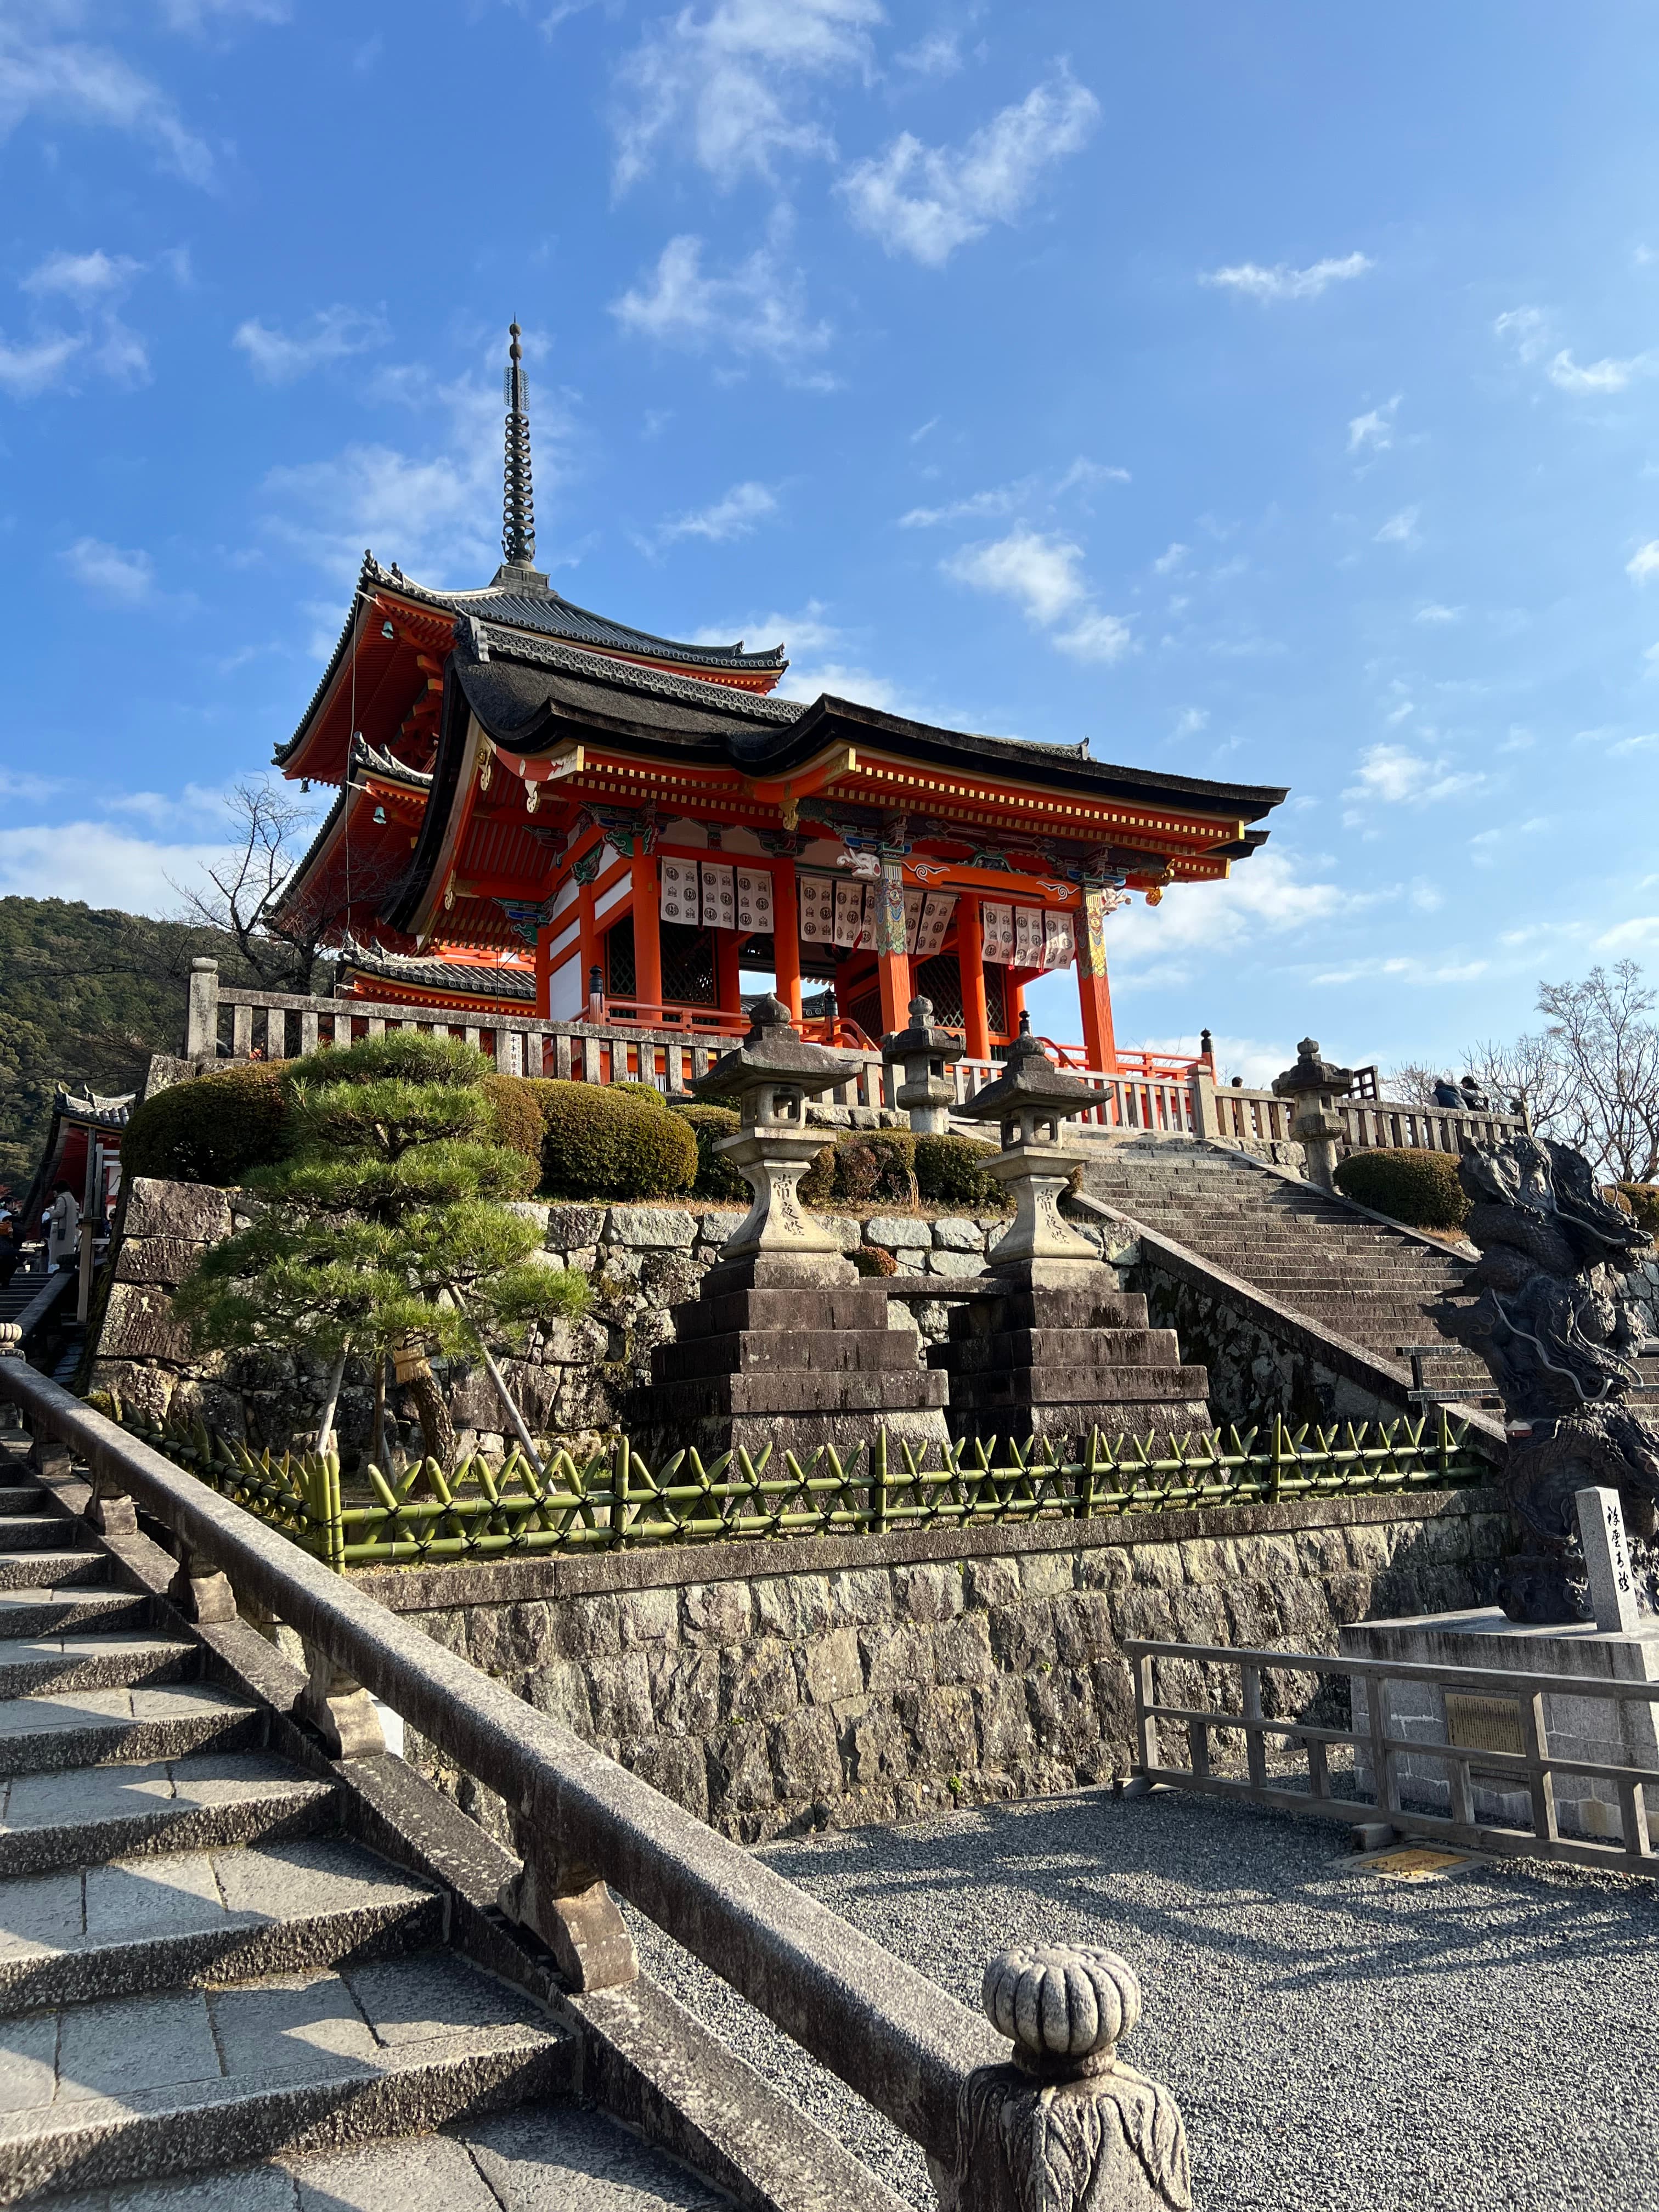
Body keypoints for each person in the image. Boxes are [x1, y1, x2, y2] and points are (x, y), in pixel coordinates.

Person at [44, 1183, 80, 1273]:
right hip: (69, 1229)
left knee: (58, 1252)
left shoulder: (61, 1199)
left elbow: (59, 1213)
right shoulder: (71, 1198)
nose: (54, 1194)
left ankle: (59, 1267)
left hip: (60, 1230)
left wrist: (51, 1211)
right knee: (67, 1250)